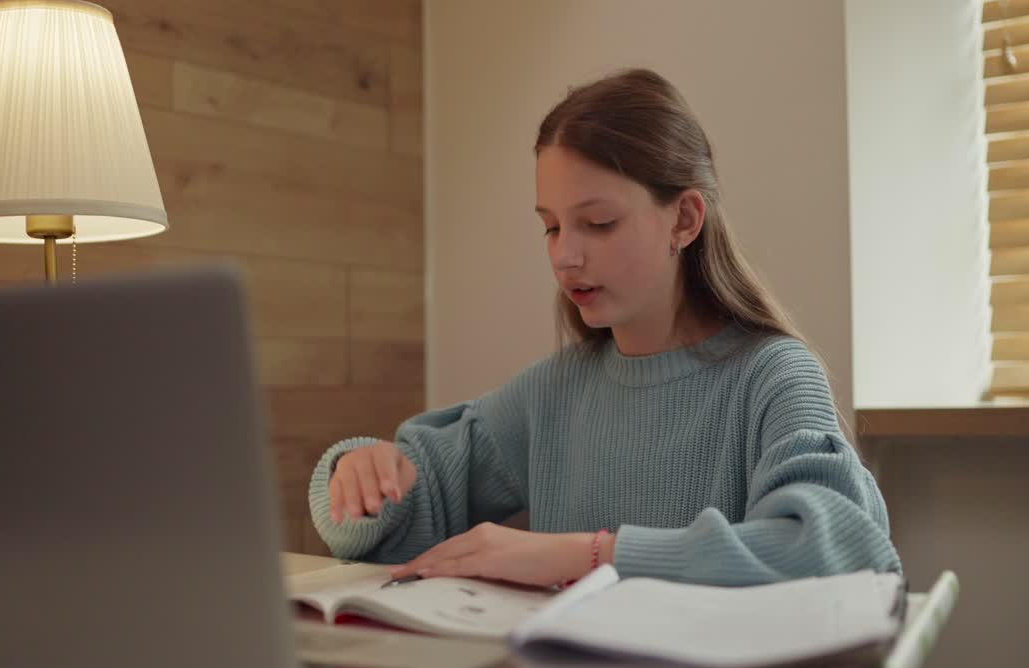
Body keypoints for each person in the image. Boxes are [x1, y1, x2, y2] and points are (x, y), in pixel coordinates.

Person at [309, 68, 900, 589]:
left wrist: (584, 555)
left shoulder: (773, 377)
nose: (565, 257)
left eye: (598, 222)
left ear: (685, 219)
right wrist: (362, 479)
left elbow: (831, 552)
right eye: (551, 228)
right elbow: (414, 506)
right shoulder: (554, 392)